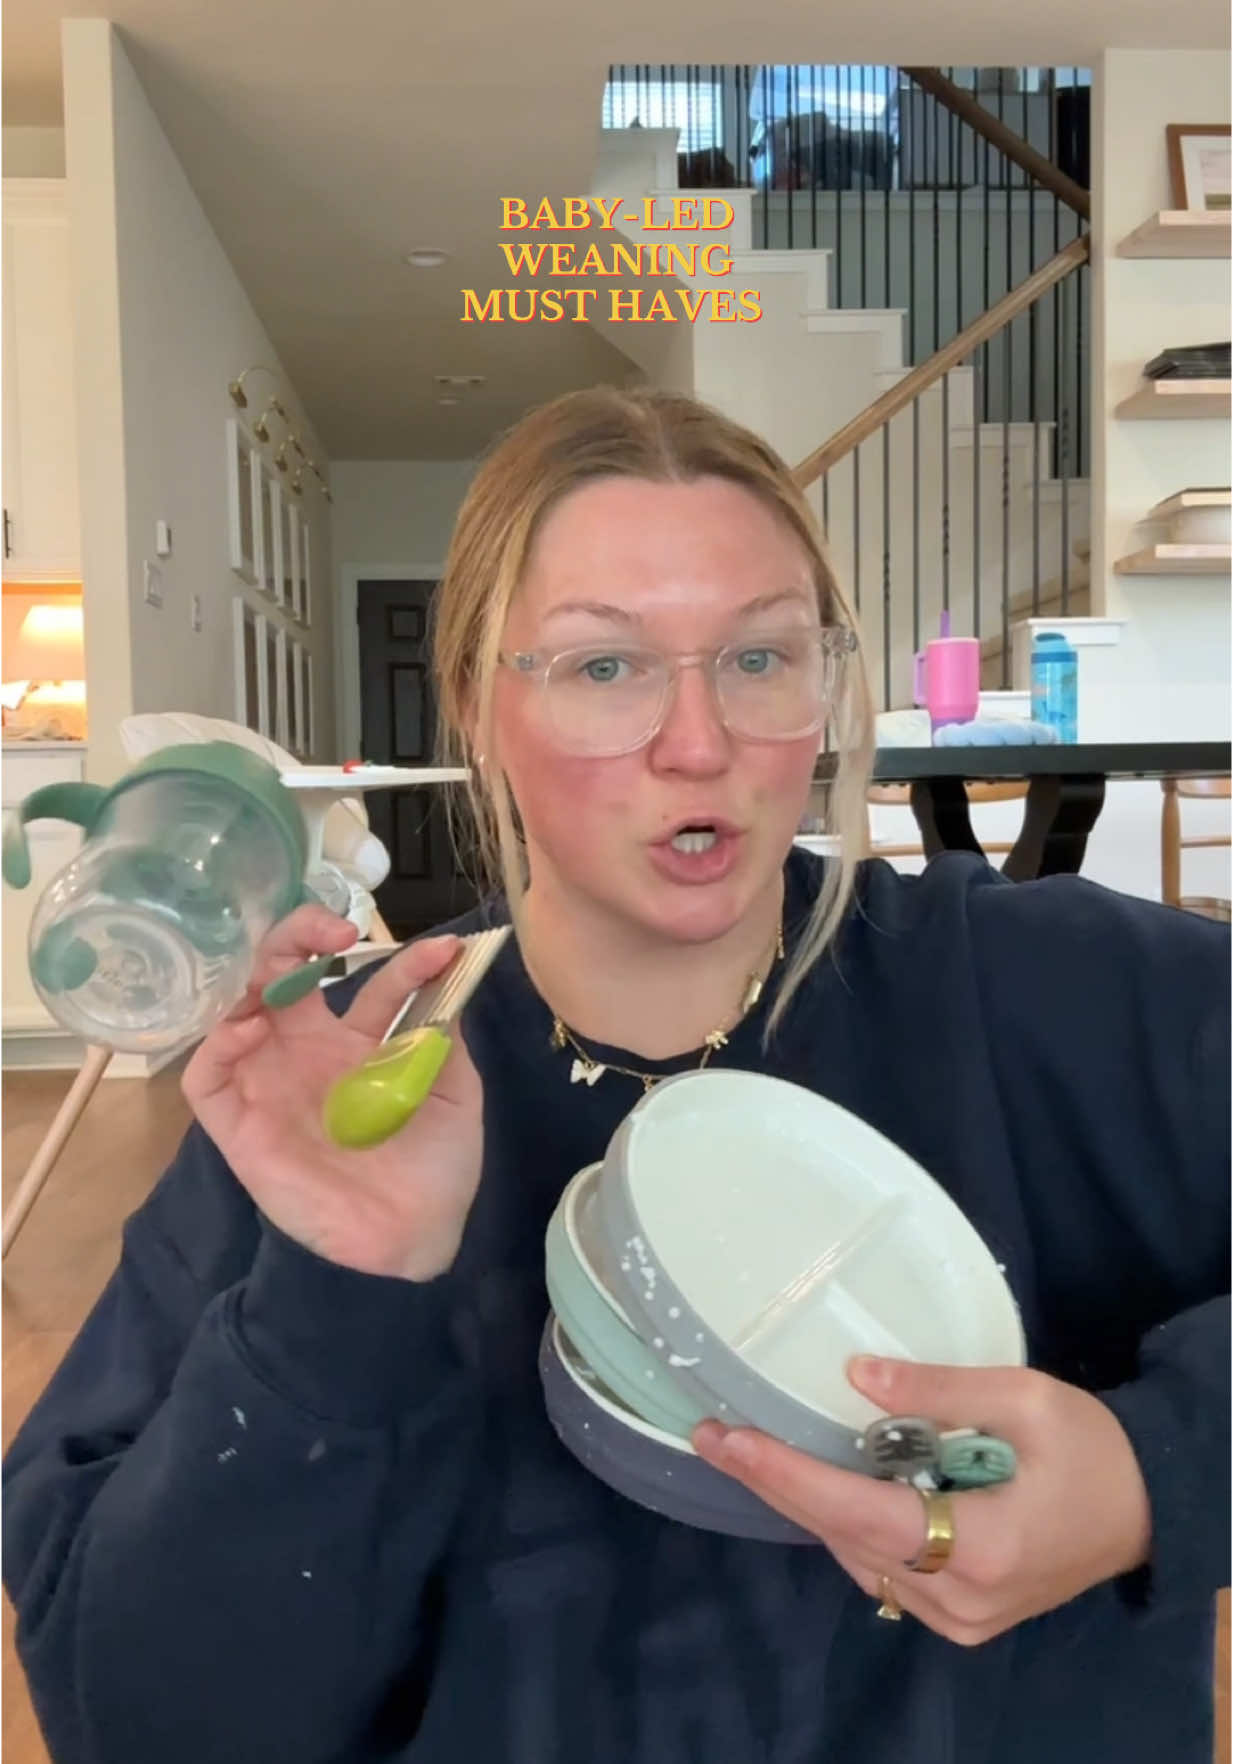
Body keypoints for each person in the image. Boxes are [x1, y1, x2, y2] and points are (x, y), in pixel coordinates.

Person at [3, 386, 1228, 1764]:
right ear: (475, 704)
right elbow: (141, 1718)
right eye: (603, 667)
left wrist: (1155, 1471)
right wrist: (334, 1296)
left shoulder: (1053, 997)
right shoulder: (321, 1099)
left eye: (758, 657)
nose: (697, 741)